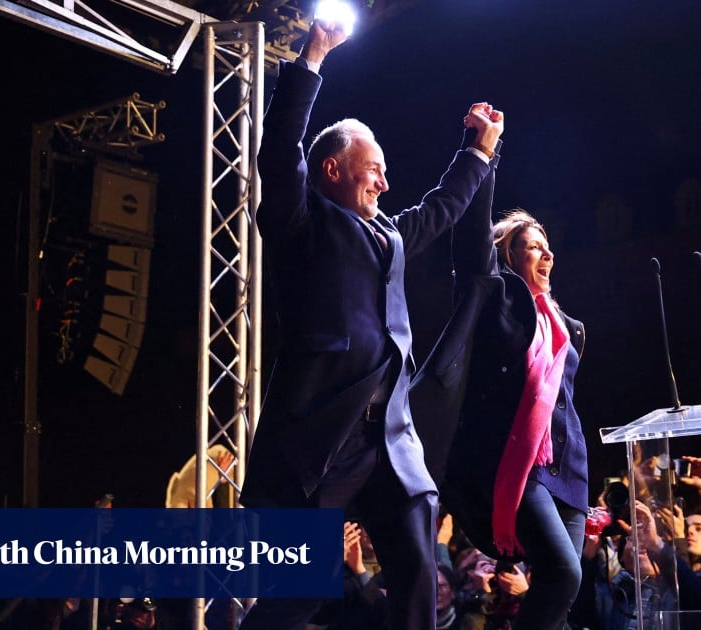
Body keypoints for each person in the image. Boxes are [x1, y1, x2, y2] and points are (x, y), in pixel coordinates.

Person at [236, 14, 503, 630]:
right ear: (332, 170)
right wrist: (312, 59)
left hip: (390, 437)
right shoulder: (299, 222)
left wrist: (478, 151)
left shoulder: (389, 235)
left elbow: (439, 211)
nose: (385, 179)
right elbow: (278, 153)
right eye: (373, 166)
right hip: (319, 437)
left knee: (417, 573)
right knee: (299, 595)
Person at [412, 129, 585, 627]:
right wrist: (485, 155)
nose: (547, 254)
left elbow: (563, 403)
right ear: (509, 258)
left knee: (559, 594)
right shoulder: (498, 302)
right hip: (513, 464)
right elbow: (471, 243)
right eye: (533, 247)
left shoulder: (567, 327)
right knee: (563, 574)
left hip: (565, 469)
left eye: (547, 246)